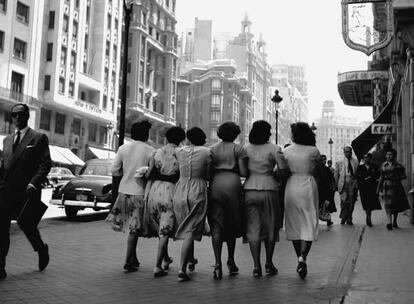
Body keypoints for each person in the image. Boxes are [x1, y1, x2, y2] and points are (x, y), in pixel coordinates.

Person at [0, 103, 52, 279]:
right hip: (6, 193)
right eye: (14, 115)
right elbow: (4, 166)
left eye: (21, 114)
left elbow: (45, 164)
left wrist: (33, 184)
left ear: (27, 116)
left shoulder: (38, 138)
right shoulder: (6, 140)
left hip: (27, 192)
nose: (17, 118)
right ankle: (0, 267)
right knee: (2, 230)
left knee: (27, 226)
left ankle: (41, 249)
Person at [106, 120, 155, 272]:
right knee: (135, 229)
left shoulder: (123, 148)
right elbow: (151, 173)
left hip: (123, 191)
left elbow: (114, 170)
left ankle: (133, 258)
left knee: (132, 227)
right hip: (140, 192)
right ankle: (128, 259)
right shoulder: (151, 151)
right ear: (146, 134)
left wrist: (124, 174)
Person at [243, 120, 286, 278]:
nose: (270, 133)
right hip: (269, 189)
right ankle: (268, 263)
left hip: (249, 190)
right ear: (266, 133)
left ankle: (256, 266)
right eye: (269, 131)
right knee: (270, 228)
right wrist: (275, 176)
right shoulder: (274, 149)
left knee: (253, 229)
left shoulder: (246, 149)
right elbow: (283, 170)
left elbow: (242, 171)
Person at [208, 122, 247, 280]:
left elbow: (208, 171)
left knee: (217, 225)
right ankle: (231, 260)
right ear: (236, 134)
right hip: (233, 183)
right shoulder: (239, 149)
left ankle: (217, 264)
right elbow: (244, 171)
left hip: (216, 183)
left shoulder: (212, 149)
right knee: (231, 223)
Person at [144, 126, 186, 277]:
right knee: (165, 230)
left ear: (167, 137)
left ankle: (166, 258)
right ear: (181, 139)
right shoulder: (182, 153)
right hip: (171, 192)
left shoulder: (156, 152)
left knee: (162, 228)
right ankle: (157, 266)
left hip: (155, 191)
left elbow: (149, 174)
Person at [173, 127, 211, 282]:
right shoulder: (206, 152)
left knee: (187, 226)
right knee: (190, 230)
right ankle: (181, 269)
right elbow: (208, 175)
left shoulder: (178, 151)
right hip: (198, 190)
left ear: (188, 138)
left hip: (180, 190)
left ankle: (190, 260)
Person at [284, 122, 320, 279]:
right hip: (308, 185)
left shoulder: (286, 151)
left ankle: (298, 256)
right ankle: (302, 258)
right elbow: (318, 170)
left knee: (294, 223)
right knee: (309, 222)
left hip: (291, 185)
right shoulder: (314, 151)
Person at [377, 148, 410, 230]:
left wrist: (396, 178)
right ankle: (389, 222)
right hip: (386, 186)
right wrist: (378, 189)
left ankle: (394, 220)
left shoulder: (399, 166)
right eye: (387, 154)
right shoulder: (383, 165)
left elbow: (404, 176)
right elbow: (381, 177)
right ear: (385, 156)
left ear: (394, 156)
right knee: (387, 204)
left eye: (390, 154)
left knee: (395, 205)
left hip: (396, 186)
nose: (388, 156)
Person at [334, 146, 359, 225]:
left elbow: (357, 174)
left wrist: (356, 183)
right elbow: (336, 174)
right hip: (343, 183)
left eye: (350, 151)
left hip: (352, 183)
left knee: (351, 202)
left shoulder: (355, 161)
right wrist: (336, 185)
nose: (349, 153)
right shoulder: (339, 162)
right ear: (344, 152)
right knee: (344, 202)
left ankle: (349, 218)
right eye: (347, 152)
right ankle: (343, 217)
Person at [356, 153, 381, 227]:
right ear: (363, 159)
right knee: (365, 203)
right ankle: (368, 216)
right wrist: (364, 179)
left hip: (372, 188)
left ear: (370, 158)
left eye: (367, 157)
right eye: (365, 157)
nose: (366, 159)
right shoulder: (360, 167)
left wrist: (371, 178)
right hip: (363, 188)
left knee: (370, 204)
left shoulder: (374, 167)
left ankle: (369, 217)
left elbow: (377, 176)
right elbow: (358, 177)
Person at [319, 155, 337, 227]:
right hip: (319, 189)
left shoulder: (327, 169)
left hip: (326, 190)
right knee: (319, 205)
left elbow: (332, 179)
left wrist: (333, 187)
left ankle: (329, 220)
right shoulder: (316, 169)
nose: (324, 161)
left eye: (324, 159)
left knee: (327, 205)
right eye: (322, 159)